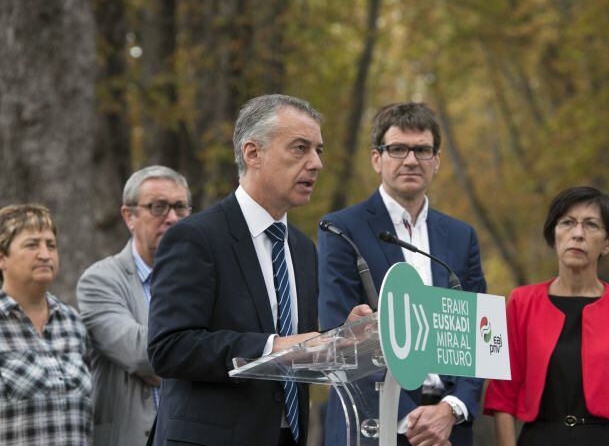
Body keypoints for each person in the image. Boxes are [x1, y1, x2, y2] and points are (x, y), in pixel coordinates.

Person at [147, 94, 371, 446]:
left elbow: (300, 349)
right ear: (253, 153)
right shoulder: (195, 237)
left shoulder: (302, 248)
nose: (316, 164)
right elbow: (169, 348)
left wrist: (341, 338)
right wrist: (273, 347)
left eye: (319, 151)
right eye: (300, 148)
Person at [318, 102, 487, 446]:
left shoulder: (461, 236)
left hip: (448, 428)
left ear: (436, 160)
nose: (411, 160)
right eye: (398, 149)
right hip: (372, 424)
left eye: (423, 150)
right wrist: (412, 419)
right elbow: (339, 330)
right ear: (376, 158)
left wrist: (450, 409)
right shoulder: (340, 229)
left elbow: (479, 336)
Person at [484, 187, 609, 446]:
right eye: (567, 223)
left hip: (608, 439)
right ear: (553, 236)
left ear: (608, 243)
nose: (578, 234)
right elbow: (503, 394)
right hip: (540, 438)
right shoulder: (521, 302)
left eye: (591, 225)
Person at [76, 166, 191, 446]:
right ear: (129, 216)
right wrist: (197, 356)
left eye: (180, 207)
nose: (172, 218)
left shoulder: (204, 279)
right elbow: (142, 353)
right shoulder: (99, 281)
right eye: (158, 207)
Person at [0, 204, 92, 445]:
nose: (45, 254)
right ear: (2, 258)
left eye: (51, 245)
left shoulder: (73, 322)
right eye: (32, 245)